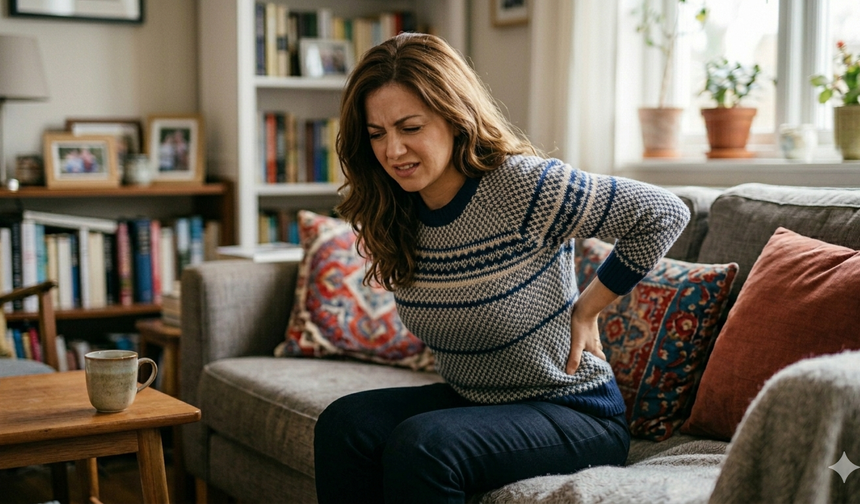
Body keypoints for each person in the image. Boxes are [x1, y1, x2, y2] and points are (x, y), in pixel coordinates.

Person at [314, 32, 690, 504]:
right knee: (345, 425)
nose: (393, 151)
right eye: (377, 134)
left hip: (574, 412)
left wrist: (587, 308)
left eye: (410, 127)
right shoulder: (398, 209)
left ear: (455, 117)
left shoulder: (522, 187)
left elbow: (663, 212)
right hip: (478, 402)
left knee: (425, 447)